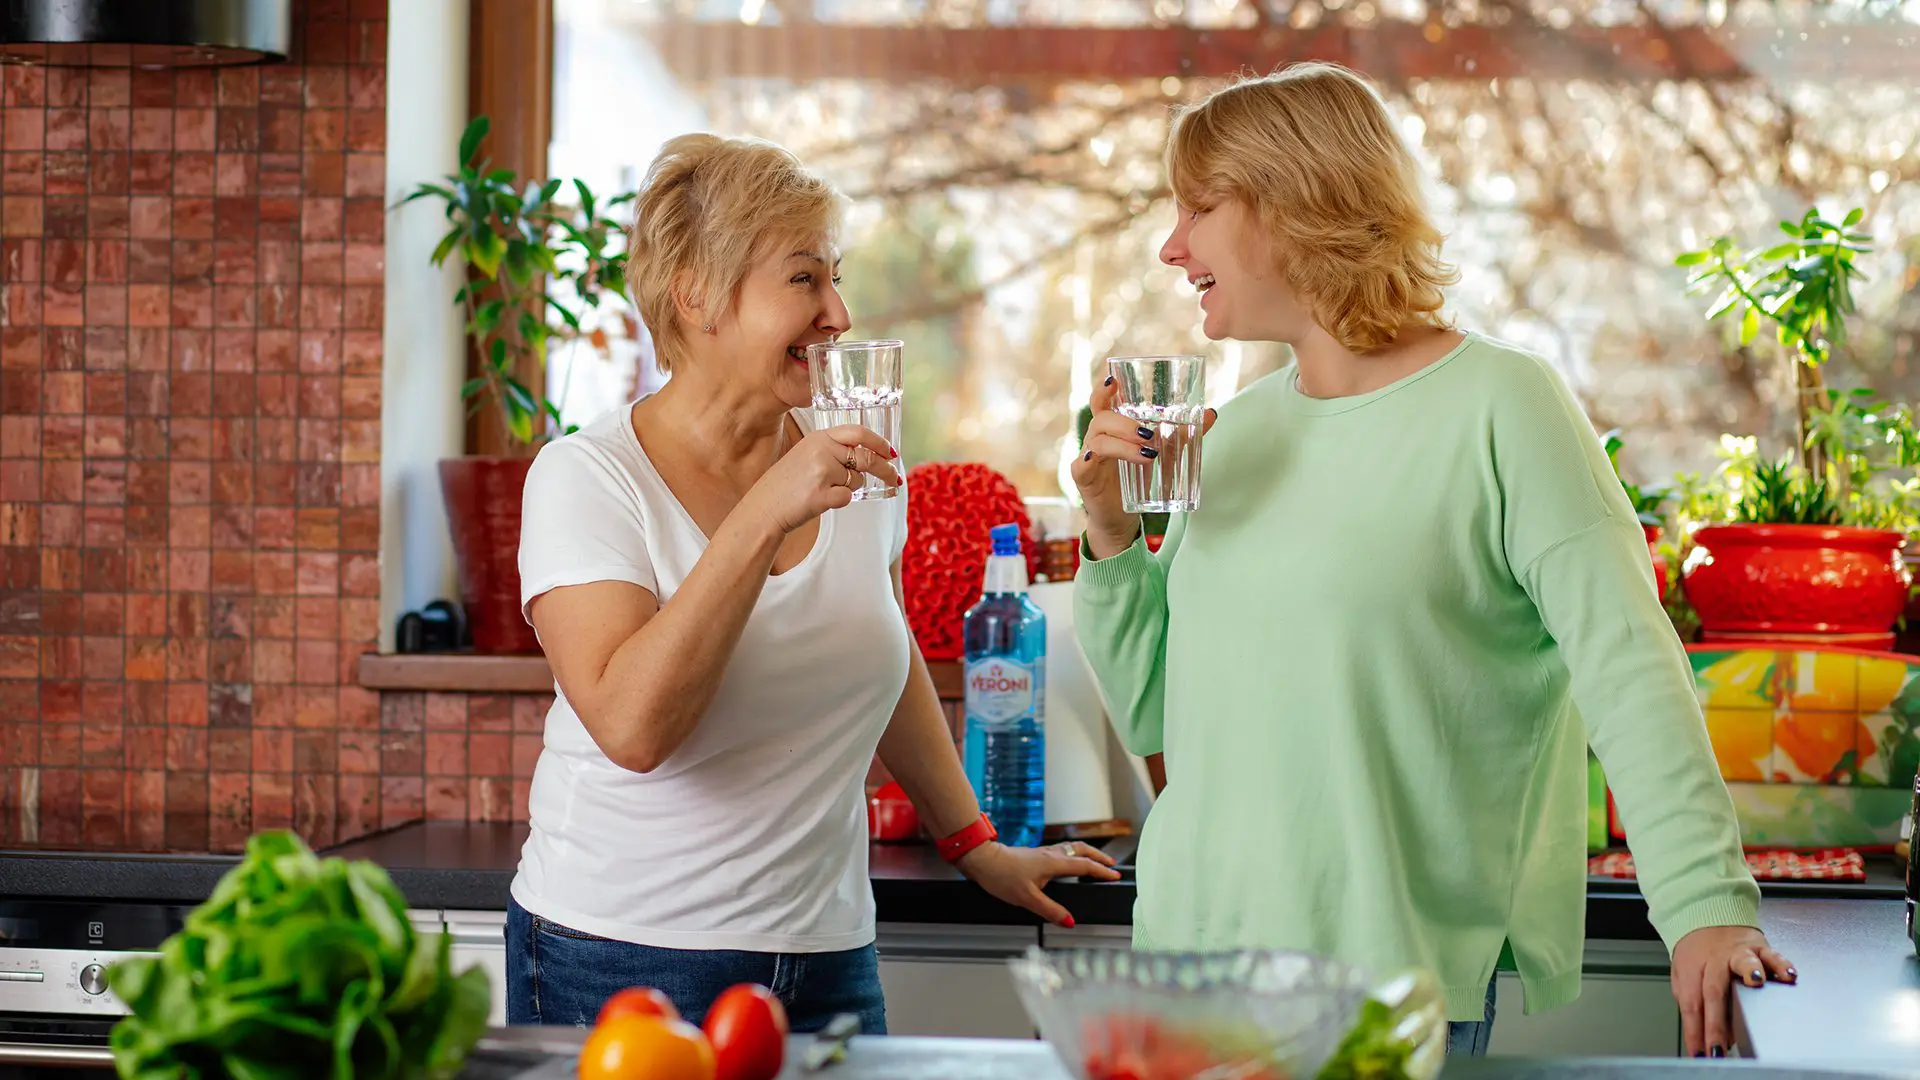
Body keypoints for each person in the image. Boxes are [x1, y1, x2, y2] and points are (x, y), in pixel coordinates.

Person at [1071, 63, 1794, 1060]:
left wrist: (1707, 903)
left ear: (1293, 203)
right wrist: (1109, 535)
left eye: (1198, 206)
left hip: (1382, 986)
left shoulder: (1504, 407)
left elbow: (1628, 662)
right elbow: (1162, 713)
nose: (1172, 245)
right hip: (1187, 974)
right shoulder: (1230, 437)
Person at [508, 132, 1119, 1034]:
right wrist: (764, 515)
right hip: (620, 954)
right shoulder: (587, 478)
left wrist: (976, 844)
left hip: (828, 953)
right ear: (698, 294)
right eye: (804, 279)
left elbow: (882, 644)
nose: (838, 311)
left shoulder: (854, 464)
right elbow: (635, 728)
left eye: (837, 277)